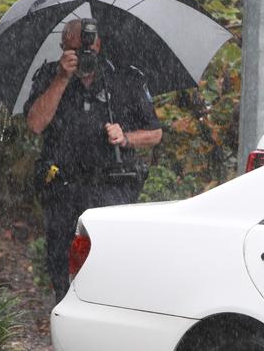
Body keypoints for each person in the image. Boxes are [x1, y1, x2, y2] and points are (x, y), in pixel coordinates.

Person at [24, 18, 162, 303]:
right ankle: (67, 315)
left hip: (111, 187)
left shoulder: (125, 78)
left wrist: (126, 137)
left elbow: (156, 133)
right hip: (63, 188)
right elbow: (36, 124)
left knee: (109, 262)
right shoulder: (49, 75)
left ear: (99, 46)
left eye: (88, 49)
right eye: (74, 50)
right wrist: (62, 78)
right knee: (61, 263)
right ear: (63, 48)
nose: (83, 56)